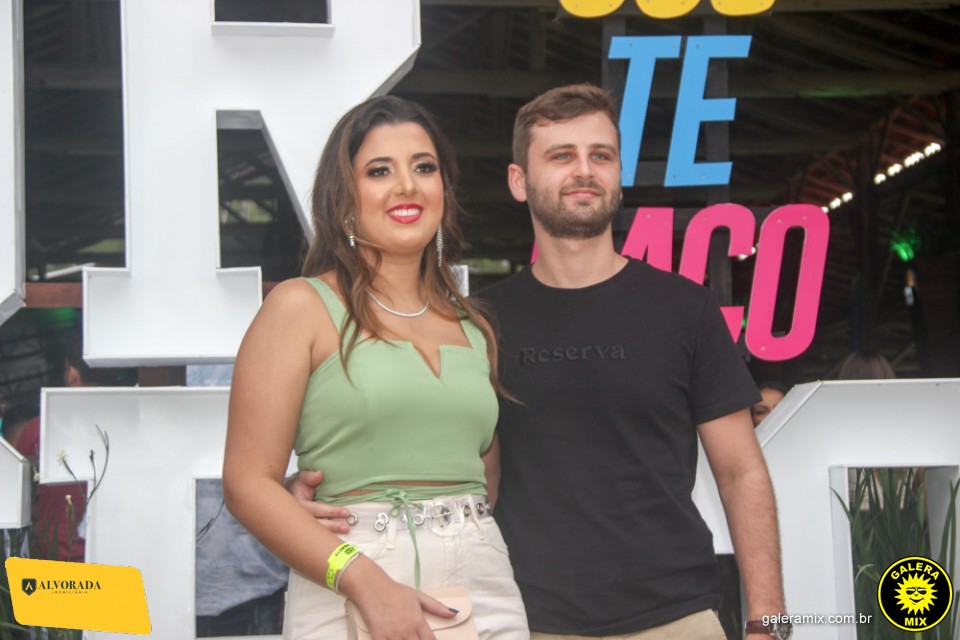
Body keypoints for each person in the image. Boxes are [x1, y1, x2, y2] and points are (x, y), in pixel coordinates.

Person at [294, 84, 789, 639]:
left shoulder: (684, 308)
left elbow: (741, 473)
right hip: (525, 620)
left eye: (601, 155)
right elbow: (432, 443)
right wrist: (321, 492)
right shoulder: (476, 324)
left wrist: (768, 623)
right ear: (518, 180)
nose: (584, 171)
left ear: (619, 173)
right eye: (561, 156)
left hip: (678, 616)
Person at [222, 95, 528, 640]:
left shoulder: (475, 326)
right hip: (349, 575)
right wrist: (364, 579)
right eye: (379, 171)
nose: (406, 186)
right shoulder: (299, 307)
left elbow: (486, 476)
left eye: (424, 167)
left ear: (444, 189)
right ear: (344, 196)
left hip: (484, 585)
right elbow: (247, 484)